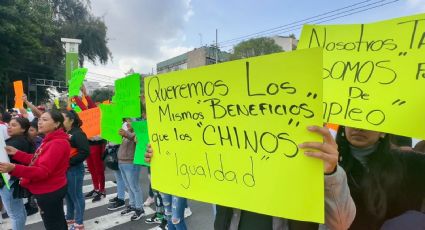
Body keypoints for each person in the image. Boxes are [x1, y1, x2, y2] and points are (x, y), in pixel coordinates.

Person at [145, 125, 356, 230]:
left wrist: (330, 172)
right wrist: (163, 158)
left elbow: (341, 222)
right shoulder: (228, 154)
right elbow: (190, 175)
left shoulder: (308, 159)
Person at [336, 126, 425, 229]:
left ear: (383, 132)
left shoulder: (409, 164)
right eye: (352, 121)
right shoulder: (326, 163)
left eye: (369, 122)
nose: (359, 128)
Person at [1, 110, 71, 230]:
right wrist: (17, 153)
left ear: (56, 124)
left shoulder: (57, 143)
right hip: (50, 188)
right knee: (56, 220)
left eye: (45, 120)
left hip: (49, 190)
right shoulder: (50, 139)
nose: (40, 122)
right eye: (39, 119)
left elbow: (42, 171)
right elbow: (38, 159)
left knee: (53, 224)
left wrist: (14, 168)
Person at [0, 117, 33, 229]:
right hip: (14, 180)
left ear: (23, 129)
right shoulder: (20, 139)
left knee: (15, 214)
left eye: (14, 125)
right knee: (19, 211)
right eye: (9, 125)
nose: (9, 127)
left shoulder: (16, 142)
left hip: (9, 181)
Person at [62, 110, 90, 230]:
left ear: (71, 120)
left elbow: (85, 152)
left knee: (76, 195)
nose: (60, 121)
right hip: (66, 169)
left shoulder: (78, 134)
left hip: (74, 169)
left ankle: (79, 222)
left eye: (63, 118)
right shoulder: (65, 132)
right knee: (68, 195)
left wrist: (68, 162)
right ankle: (69, 218)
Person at [117, 120, 145, 221]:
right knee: (129, 186)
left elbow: (138, 139)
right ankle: (133, 205)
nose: (128, 123)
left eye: (130, 120)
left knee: (134, 186)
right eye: (127, 121)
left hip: (131, 163)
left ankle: (139, 208)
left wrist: (126, 134)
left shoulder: (138, 132)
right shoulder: (126, 131)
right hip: (122, 162)